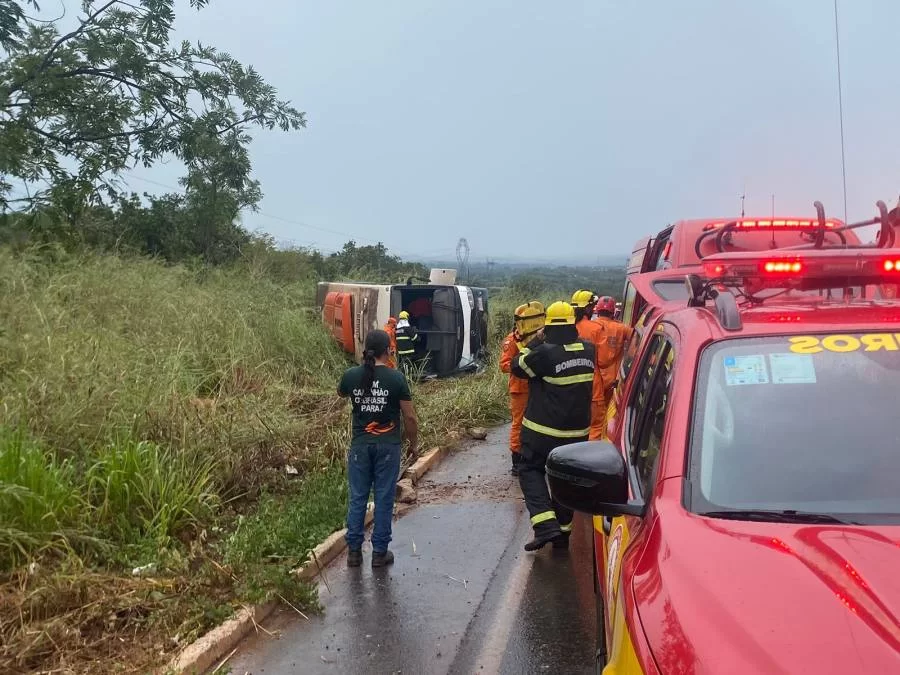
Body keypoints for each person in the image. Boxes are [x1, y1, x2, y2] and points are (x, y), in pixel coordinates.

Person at [511, 301, 596, 552]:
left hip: (541, 432)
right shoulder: (589, 350)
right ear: (573, 322)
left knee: (530, 471)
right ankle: (562, 535)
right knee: (565, 480)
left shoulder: (545, 353)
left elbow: (518, 365)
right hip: (577, 435)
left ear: (547, 326)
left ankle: (545, 526)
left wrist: (537, 340)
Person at [338, 329, 419, 568]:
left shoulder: (351, 375)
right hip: (387, 447)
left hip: (360, 447)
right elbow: (410, 417)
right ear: (388, 350)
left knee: (358, 498)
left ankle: (354, 552)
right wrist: (413, 445)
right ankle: (379, 553)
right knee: (383, 498)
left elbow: (341, 392)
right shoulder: (396, 379)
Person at [499, 301, 545, 476]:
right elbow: (503, 365)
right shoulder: (512, 340)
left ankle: (535, 457)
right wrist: (521, 364)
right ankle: (517, 461)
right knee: (519, 425)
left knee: (539, 424)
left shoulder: (540, 338)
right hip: (520, 389)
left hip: (538, 386)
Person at [593, 295, 633, 436]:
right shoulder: (622, 328)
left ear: (597, 311)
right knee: (610, 413)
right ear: (612, 312)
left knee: (594, 416)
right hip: (614, 379)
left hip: (594, 379)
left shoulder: (593, 327)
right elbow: (637, 339)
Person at [571, 290, 608, 441]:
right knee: (595, 427)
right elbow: (604, 360)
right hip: (593, 386)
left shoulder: (566, 328)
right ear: (588, 308)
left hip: (569, 384)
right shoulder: (596, 329)